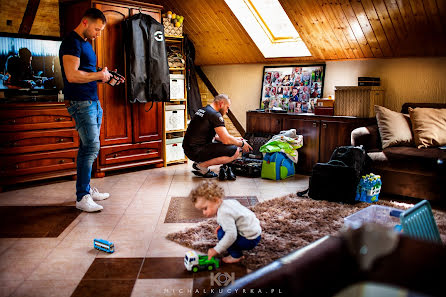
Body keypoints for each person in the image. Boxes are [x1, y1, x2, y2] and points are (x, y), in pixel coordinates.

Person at [59, 8, 124, 212]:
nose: (98, 34)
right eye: (97, 29)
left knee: (88, 147)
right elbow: (72, 75)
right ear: (85, 22)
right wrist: (98, 76)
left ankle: (86, 189)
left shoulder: (85, 43)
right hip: (80, 102)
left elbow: (85, 72)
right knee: (91, 147)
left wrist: (104, 75)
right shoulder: (72, 42)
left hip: (92, 100)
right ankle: (82, 197)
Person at [182, 94, 253, 179]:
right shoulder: (215, 115)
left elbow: (216, 136)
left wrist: (235, 139)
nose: (227, 111)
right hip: (196, 151)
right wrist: (241, 144)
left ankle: (200, 163)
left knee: (230, 143)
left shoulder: (204, 110)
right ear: (221, 103)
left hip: (189, 149)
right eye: (227, 108)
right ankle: (201, 166)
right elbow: (226, 140)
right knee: (235, 150)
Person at [191, 181, 261, 263]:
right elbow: (236, 218)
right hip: (256, 233)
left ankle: (236, 256)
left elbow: (231, 235)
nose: (204, 213)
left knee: (222, 234)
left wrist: (216, 250)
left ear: (216, 200)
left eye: (205, 208)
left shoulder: (223, 214)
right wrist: (222, 225)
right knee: (221, 229)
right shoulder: (230, 202)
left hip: (249, 240)